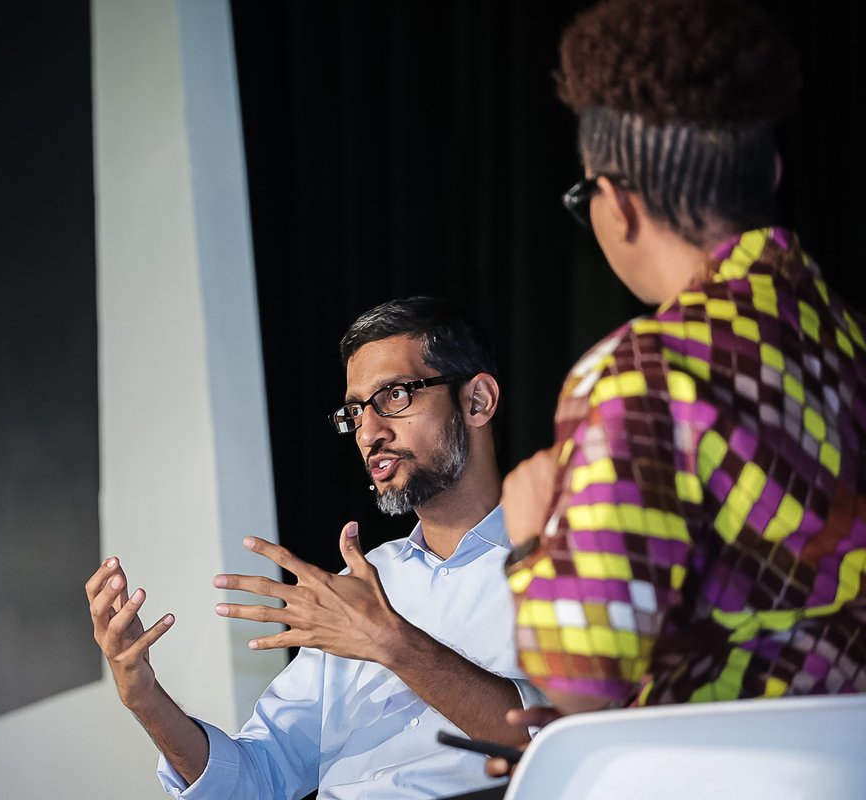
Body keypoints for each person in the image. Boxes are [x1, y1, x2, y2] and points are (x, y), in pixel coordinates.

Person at [500, 0, 866, 724]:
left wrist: (529, 540)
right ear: (771, 171)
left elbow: (579, 673)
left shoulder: (640, 373)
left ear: (616, 204)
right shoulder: (848, 339)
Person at [86, 296, 542, 799]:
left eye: (395, 395)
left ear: (476, 401)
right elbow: (258, 780)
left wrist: (393, 644)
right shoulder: (360, 589)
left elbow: (560, 743)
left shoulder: (569, 558)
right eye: (355, 411)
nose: (369, 432)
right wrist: (146, 699)